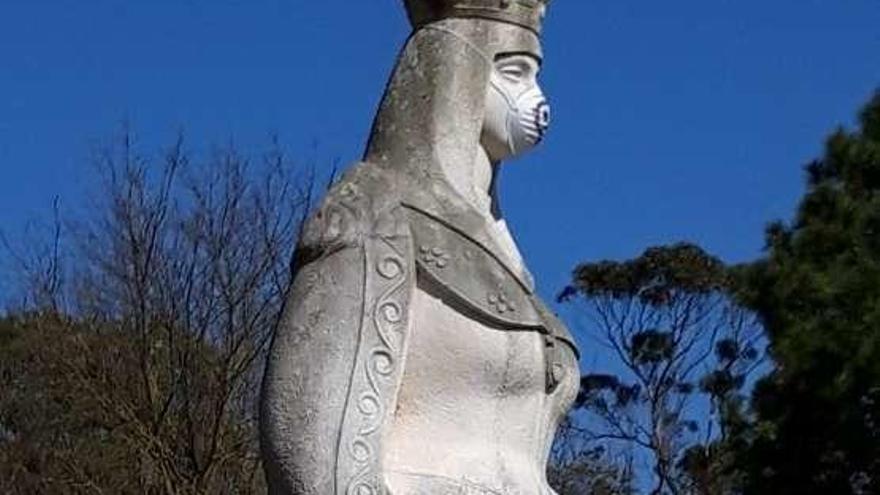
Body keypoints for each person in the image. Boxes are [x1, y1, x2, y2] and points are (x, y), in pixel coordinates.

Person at [260, 1, 580, 493]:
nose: (536, 100)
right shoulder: (373, 214)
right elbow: (312, 447)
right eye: (515, 72)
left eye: (534, 76)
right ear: (458, 64)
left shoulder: (514, 264)